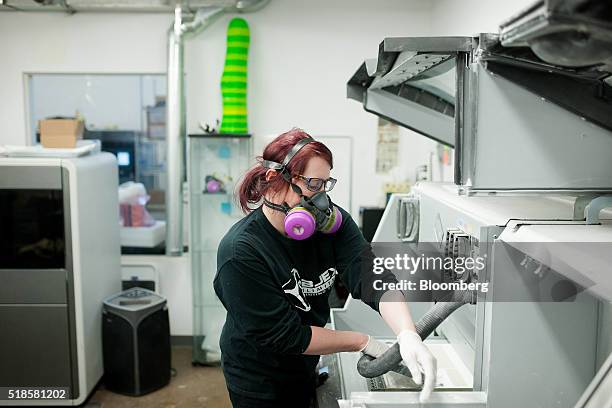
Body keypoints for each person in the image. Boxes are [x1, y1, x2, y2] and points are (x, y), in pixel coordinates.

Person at [214, 129, 436, 407]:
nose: (320, 200)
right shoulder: (241, 252)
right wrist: (362, 342)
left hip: (305, 365)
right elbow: (286, 335)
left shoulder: (333, 225)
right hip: (258, 377)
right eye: (312, 184)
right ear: (273, 180)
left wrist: (407, 333)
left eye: (324, 185)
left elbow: (371, 276)